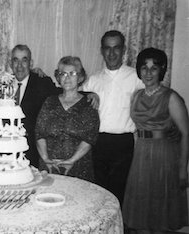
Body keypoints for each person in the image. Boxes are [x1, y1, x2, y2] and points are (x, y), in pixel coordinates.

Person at [123, 48, 189, 233]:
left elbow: (185, 133)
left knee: (160, 213)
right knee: (142, 213)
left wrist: (183, 169)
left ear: (161, 70)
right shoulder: (136, 95)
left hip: (164, 156)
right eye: (144, 68)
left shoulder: (171, 97)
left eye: (154, 68)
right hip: (141, 154)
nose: (148, 73)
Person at [81, 30, 144, 204]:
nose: (112, 53)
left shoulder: (136, 77)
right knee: (99, 191)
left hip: (124, 143)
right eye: (107, 48)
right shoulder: (93, 80)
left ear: (123, 50)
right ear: (102, 51)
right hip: (98, 141)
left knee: (119, 192)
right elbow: (73, 96)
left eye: (116, 48)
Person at [35, 56, 100, 181]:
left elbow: (90, 138)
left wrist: (71, 161)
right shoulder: (49, 102)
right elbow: (39, 133)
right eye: (63, 73)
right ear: (58, 77)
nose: (67, 77)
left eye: (72, 73)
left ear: (80, 77)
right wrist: (46, 159)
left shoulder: (88, 104)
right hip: (49, 167)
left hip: (78, 166)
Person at [10, 44, 61, 168]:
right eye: (16, 60)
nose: (20, 65)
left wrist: (89, 94)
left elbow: (64, 94)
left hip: (33, 151)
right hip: (9, 150)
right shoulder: (5, 83)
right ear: (11, 63)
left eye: (24, 60)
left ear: (31, 63)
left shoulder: (42, 82)